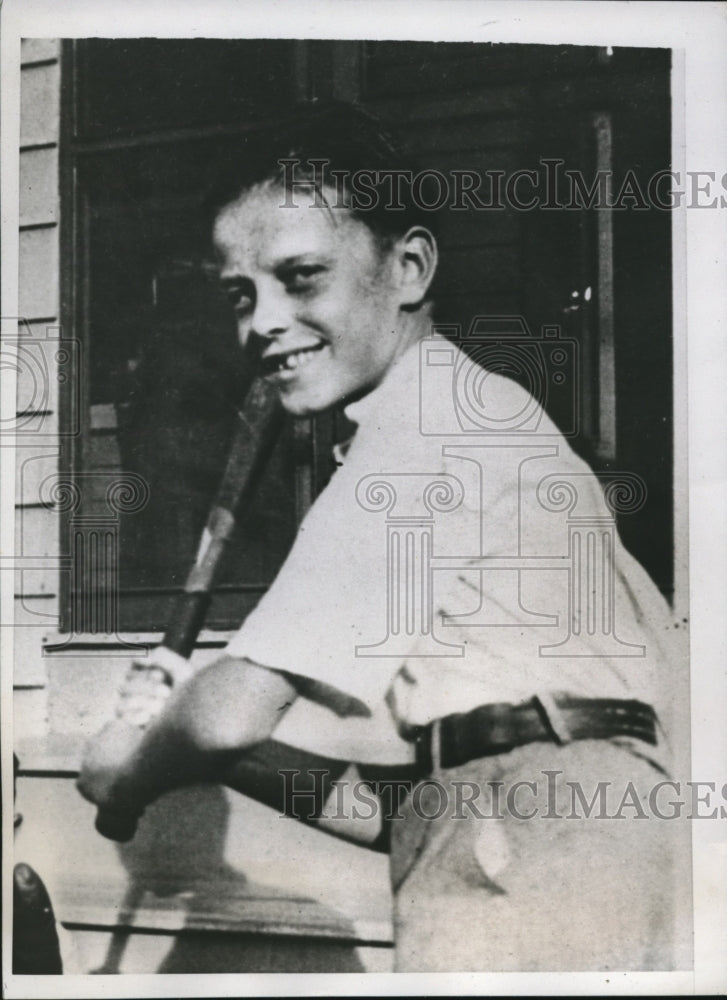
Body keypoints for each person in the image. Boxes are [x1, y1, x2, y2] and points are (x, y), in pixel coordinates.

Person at [78, 102, 684, 972]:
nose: (262, 323)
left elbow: (230, 707)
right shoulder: (480, 423)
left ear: (406, 268)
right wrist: (198, 754)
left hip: (527, 835)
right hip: (550, 836)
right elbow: (388, 811)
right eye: (240, 296)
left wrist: (130, 768)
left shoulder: (427, 425)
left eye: (302, 277)